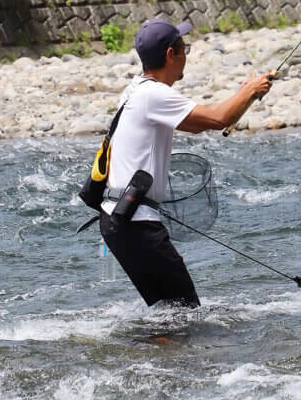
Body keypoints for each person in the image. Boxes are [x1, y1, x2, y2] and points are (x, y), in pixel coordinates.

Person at [99, 18, 274, 308]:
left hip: (119, 218)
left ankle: (157, 351)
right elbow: (218, 119)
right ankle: (162, 351)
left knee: (172, 312)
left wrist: (245, 95)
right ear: (171, 55)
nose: (185, 56)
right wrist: (250, 91)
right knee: (183, 313)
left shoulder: (134, 90)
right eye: (185, 49)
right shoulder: (154, 95)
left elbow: (197, 125)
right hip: (134, 223)